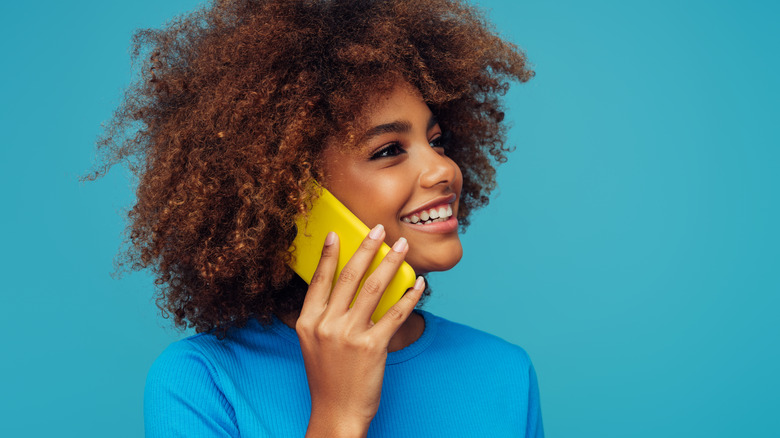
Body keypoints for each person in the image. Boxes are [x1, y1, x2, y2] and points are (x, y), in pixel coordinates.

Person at [88, 0, 541, 435]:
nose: (444, 170)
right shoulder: (201, 382)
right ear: (294, 195)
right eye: (388, 151)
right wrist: (339, 417)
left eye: (436, 140)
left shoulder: (505, 372)